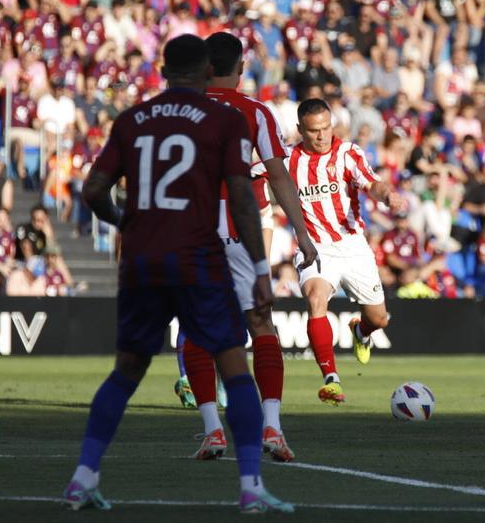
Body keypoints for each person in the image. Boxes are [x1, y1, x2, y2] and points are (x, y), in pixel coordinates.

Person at [64, 34, 292, 513]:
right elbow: (244, 200)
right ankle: (251, 487)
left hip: (143, 258)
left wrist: (123, 219)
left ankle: (83, 478)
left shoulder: (132, 120)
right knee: (234, 362)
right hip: (198, 254)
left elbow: (91, 191)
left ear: (164, 70)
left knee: (126, 370)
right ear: (208, 69)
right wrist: (260, 268)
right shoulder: (225, 119)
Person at [174, 32, 318, 463]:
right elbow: (277, 176)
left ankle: (213, 431)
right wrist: (303, 233)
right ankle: (271, 425)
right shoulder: (255, 112)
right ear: (239, 68)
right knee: (260, 323)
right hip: (240, 228)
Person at [289, 98, 406, 406]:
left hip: (353, 246)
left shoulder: (348, 153)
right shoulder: (287, 159)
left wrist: (388, 195)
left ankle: (361, 330)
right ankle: (331, 379)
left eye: (326, 128)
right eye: (314, 130)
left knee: (379, 319)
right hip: (315, 248)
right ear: (301, 130)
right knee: (316, 299)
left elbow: (372, 184)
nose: (322, 136)